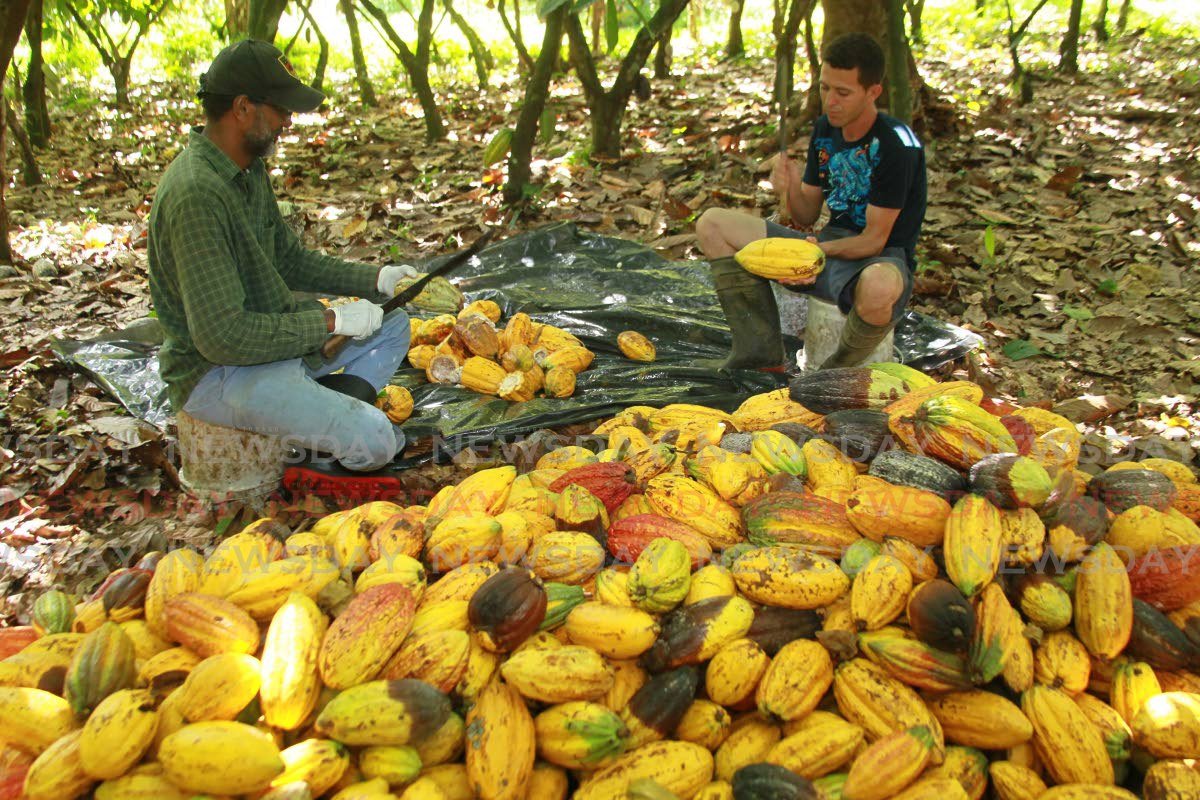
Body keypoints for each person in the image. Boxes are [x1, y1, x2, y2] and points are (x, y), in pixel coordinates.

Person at [148, 39, 416, 472]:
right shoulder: (197, 194)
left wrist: (376, 279)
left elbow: (288, 260)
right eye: (281, 110)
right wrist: (331, 322)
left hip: (273, 344)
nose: (288, 122)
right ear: (242, 108)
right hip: (221, 374)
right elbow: (222, 337)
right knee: (376, 440)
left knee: (393, 321)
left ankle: (314, 416)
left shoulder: (247, 169)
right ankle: (317, 433)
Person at [695, 32, 927, 371]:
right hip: (826, 245)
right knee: (713, 223)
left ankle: (835, 375)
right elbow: (805, 214)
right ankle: (760, 356)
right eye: (824, 88)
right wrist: (787, 189)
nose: (830, 100)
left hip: (882, 260)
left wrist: (811, 254)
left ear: (873, 91)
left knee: (878, 286)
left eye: (843, 92)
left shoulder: (896, 144)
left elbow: (874, 240)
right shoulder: (825, 127)